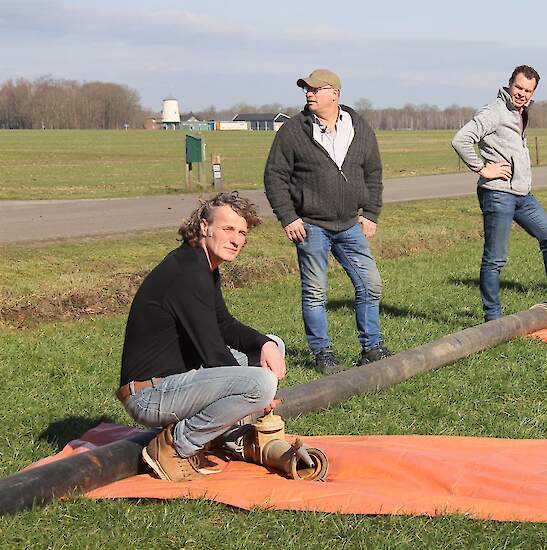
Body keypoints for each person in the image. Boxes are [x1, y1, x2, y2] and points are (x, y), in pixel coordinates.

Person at [118, 192, 286, 482]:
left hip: (176, 382)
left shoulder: (202, 265)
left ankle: (220, 434)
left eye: (242, 233)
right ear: (204, 227)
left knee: (272, 347)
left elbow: (223, 325)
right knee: (261, 382)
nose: (236, 239)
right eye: (228, 229)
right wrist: (259, 396)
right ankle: (175, 447)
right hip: (150, 394)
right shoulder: (188, 271)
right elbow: (213, 352)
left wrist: (265, 344)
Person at [264, 68, 391, 373]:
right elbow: (274, 177)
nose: (309, 94)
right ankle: (324, 352)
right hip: (311, 225)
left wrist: (371, 213)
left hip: (350, 224)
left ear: (334, 93)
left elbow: (373, 173)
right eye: (306, 90)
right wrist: (289, 217)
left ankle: (371, 347)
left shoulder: (359, 127)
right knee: (315, 291)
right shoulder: (293, 131)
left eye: (315, 89)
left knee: (370, 284)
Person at [452, 65, 547, 322]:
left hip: (522, 195)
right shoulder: (495, 111)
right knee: (496, 259)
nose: (522, 94)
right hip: (498, 194)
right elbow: (461, 139)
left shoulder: (519, 112)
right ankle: (493, 320)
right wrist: (483, 169)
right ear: (509, 84)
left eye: (528, 90)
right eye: (518, 88)